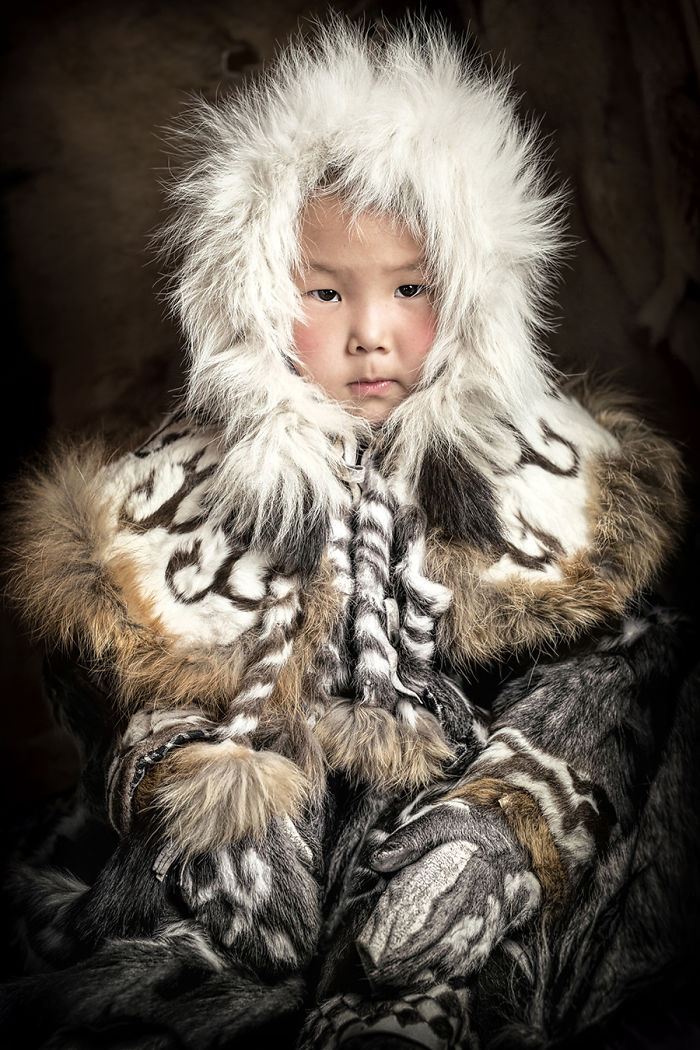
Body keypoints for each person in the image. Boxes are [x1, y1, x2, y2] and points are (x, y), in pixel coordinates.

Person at [2, 15, 698, 1050]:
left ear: (469, 293)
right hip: (287, 792)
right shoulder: (192, 484)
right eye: (323, 292)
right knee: (209, 864)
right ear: (250, 297)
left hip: (454, 788)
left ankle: (426, 950)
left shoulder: (542, 472)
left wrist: (488, 804)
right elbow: (118, 686)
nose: (370, 333)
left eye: (410, 289)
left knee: (634, 671)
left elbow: (601, 673)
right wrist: (185, 765)